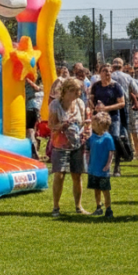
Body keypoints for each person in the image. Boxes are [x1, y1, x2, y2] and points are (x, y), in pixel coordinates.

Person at [49, 78, 87, 216]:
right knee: (59, 175)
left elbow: (82, 123)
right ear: (65, 91)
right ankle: (56, 207)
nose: (77, 94)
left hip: (77, 143)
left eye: (78, 91)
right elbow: (51, 126)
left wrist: (85, 129)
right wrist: (62, 126)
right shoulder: (55, 105)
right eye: (74, 91)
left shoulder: (80, 104)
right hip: (60, 144)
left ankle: (78, 206)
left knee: (77, 175)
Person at [89, 64, 126, 176]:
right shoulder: (96, 86)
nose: (108, 73)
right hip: (99, 118)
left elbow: (122, 103)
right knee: (97, 140)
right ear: (100, 73)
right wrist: (93, 107)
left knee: (114, 137)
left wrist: (106, 108)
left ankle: (117, 166)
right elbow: (91, 100)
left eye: (110, 71)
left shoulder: (116, 86)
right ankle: (98, 165)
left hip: (113, 116)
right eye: (105, 71)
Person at [86, 111, 115, 218]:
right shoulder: (92, 137)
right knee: (96, 189)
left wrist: (108, 165)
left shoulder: (108, 138)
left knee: (105, 190)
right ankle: (98, 207)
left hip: (103, 170)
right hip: (93, 168)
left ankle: (108, 209)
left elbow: (111, 152)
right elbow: (88, 149)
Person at [25, 74, 42, 159]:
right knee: (32, 131)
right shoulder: (40, 90)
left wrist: (27, 79)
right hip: (35, 111)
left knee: (30, 131)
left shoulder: (39, 89)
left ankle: (34, 151)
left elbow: (36, 88)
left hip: (31, 110)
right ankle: (35, 150)